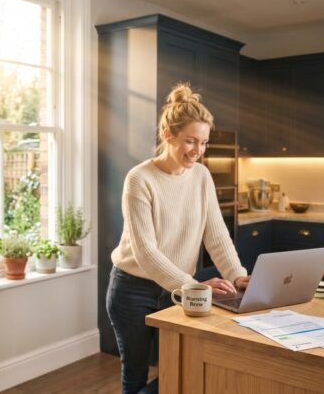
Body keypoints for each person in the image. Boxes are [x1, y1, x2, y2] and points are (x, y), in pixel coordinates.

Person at [106, 83, 251, 394]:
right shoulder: (140, 179)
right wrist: (192, 287)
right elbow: (146, 252)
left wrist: (238, 276)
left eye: (203, 143)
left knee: (183, 364)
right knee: (135, 372)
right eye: (190, 141)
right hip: (133, 290)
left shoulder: (201, 176)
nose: (197, 151)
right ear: (168, 135)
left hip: (180, 286)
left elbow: (217, 235)